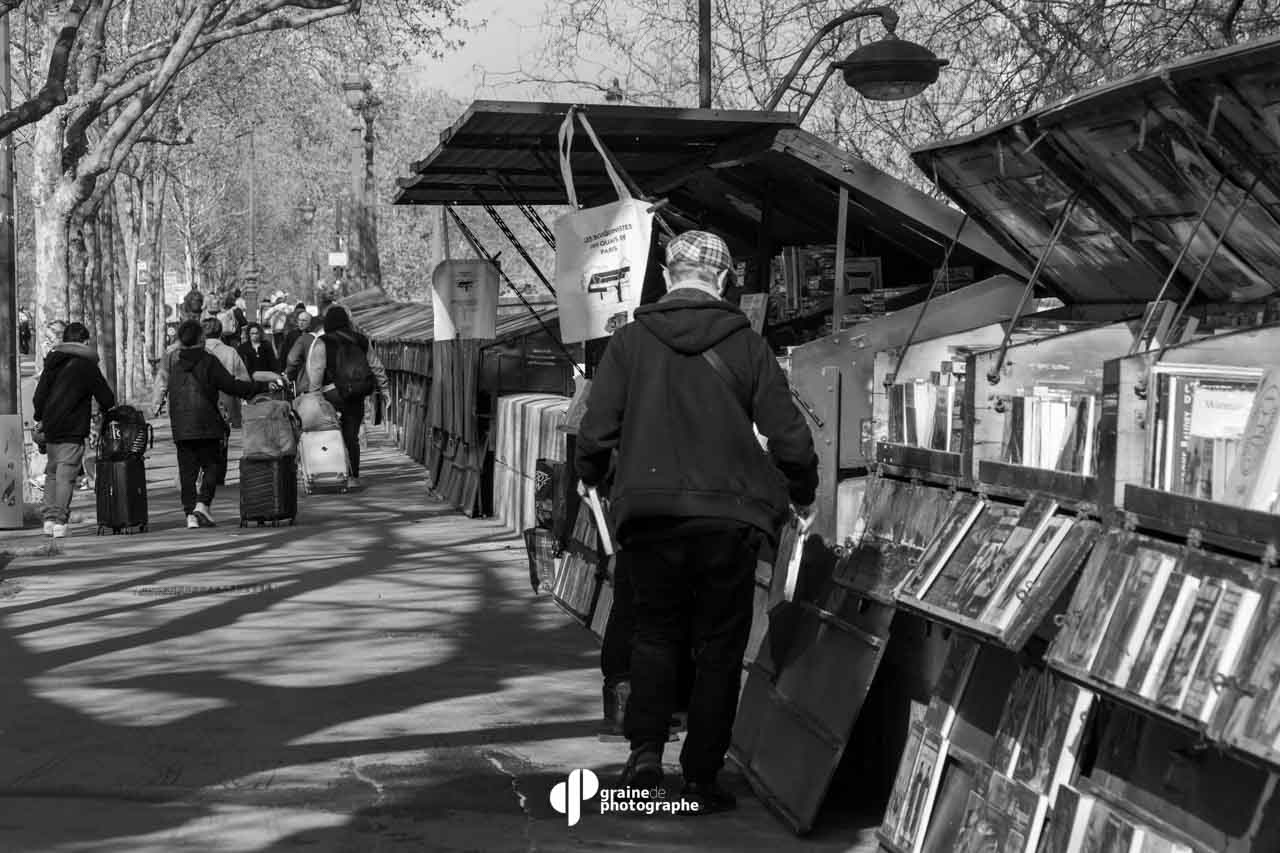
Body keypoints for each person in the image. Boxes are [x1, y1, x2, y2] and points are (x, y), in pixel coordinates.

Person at [574, 230, 818, 813]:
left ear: (666, 275)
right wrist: (803, 494)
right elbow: (790, 438)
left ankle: (644, 758)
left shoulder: (630, 342)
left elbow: (596, 429)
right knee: (718, 647)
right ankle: (702, 778)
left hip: (650, 517)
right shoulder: (749, 346)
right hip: (728, 522)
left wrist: (589, 473)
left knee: (653, 635)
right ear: (725, 280)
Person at [157, 320, 272, 528]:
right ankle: (203, 504)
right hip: (207, 422)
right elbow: (231, 385)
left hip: (181, 425)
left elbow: (169, 391)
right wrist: (260, 387)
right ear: (200, 338)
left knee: (187, 471)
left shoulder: (176, 364)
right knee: (212, 464)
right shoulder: (208, 361)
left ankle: (190, 515)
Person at [31, 322, 115, 539]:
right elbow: (107, 398)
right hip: (73, 427)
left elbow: (38, 397)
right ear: (85, 341)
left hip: (51, 427)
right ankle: (59, 521)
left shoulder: (52, 363)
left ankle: (49, 520)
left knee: (52, 472)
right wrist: (104, 411)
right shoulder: (87, 366)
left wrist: (41, 417)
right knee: (66, 474)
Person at [304, 306, 390, 489]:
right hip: (356, 393)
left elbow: (316, 372)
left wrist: (314, 396)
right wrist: (385, 389)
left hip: (331, 395)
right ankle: (353, 476)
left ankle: (333, 473)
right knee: (352, 436)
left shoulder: (322, 342)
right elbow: (376, 366)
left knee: (330, 434)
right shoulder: (361, 340)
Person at [280, 307, 313, 372]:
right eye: (299, 320)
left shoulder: (313, 335)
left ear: (310, 322)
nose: (301, 323)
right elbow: (284, 353)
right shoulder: (292, 334)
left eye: (304, 320)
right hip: (293, 368)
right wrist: (282, 369)